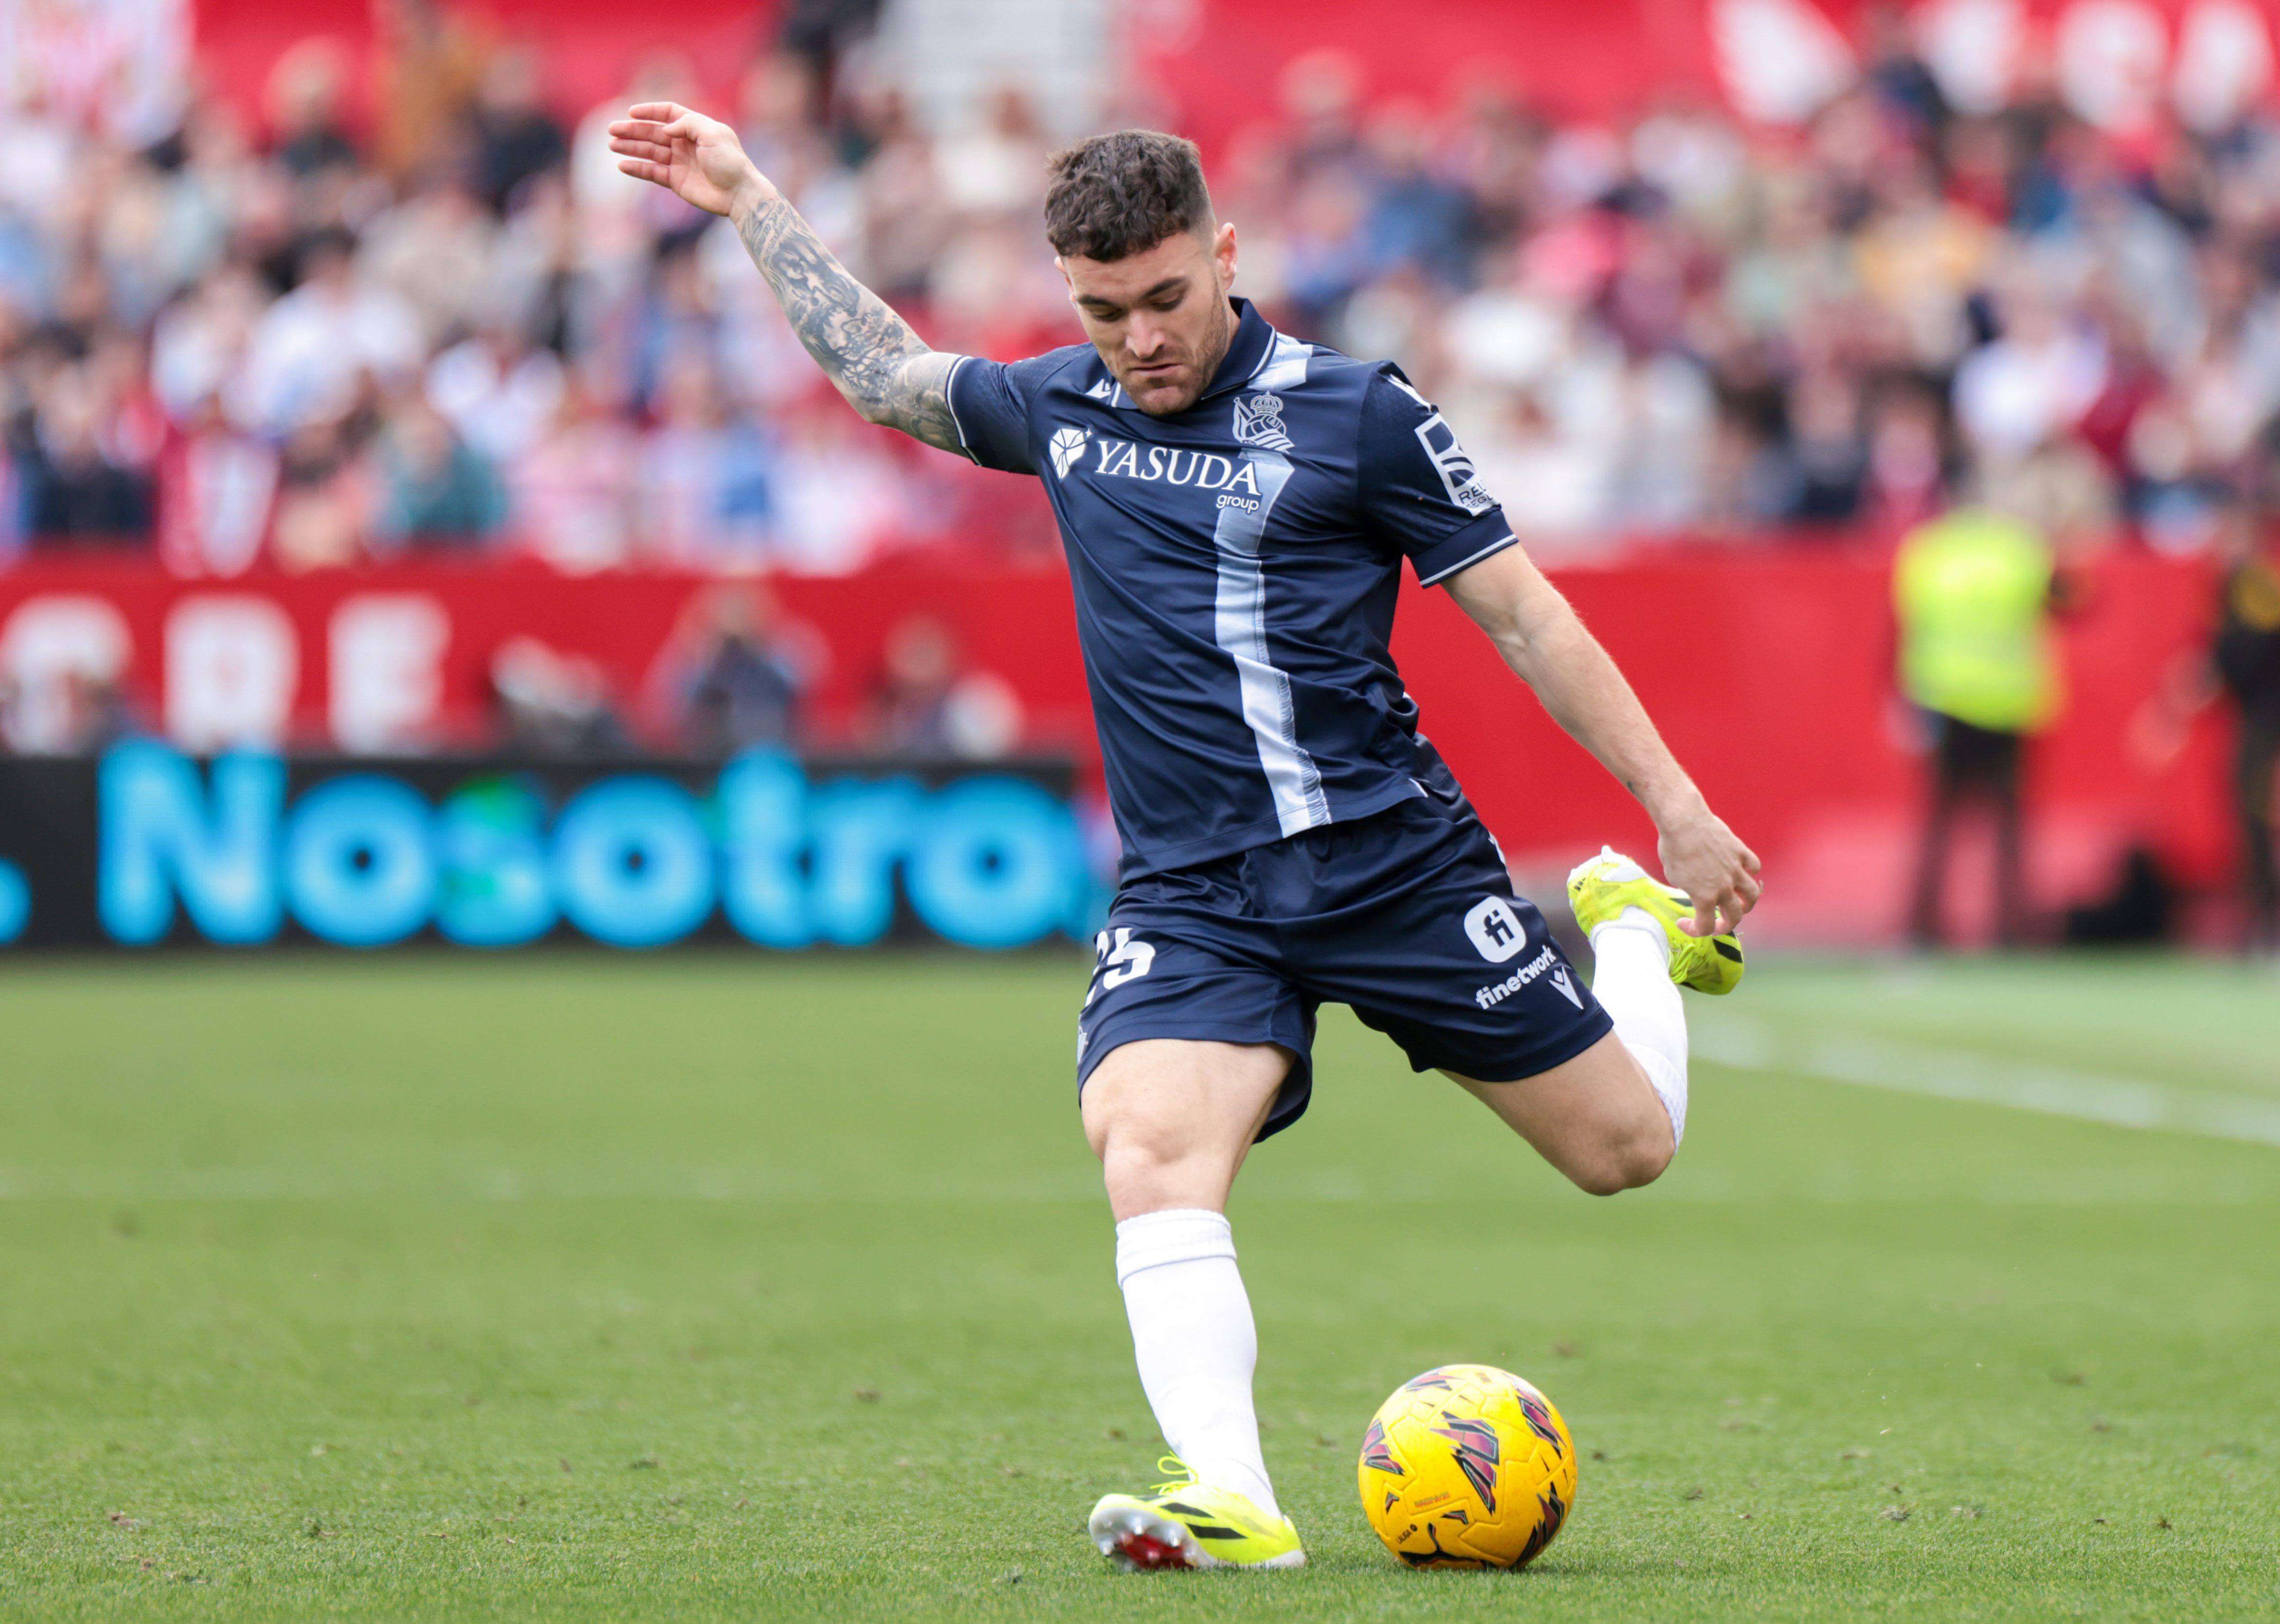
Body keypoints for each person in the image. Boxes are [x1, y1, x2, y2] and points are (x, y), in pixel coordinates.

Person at [610, 105, 1763, 1571]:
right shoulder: (1065, 406)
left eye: (1164, 300)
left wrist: (1673, 810)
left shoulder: (1359, 418)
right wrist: (748, 196)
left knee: (1624, 1151)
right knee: (1148, 1147)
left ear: (1222, 255)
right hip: (1194, 892)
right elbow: (886, 375)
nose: (1139, 340)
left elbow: (1527, 615)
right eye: (1102, 312)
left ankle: (1623, 934)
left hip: (1389, 865)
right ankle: (1232, 1497)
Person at [1893, 504, 2060, 948]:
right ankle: (2010, 928)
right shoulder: (2021, 551)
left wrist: (1903, 698)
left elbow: (1905, 625)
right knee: (2008, 828)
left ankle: (1922, 928)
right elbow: (2069, 598)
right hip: (2006, 703)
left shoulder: (1929, 551)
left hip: (1945, 700)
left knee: (1940, 824)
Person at [2132, 510, 2280, 950]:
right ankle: (2260, 921)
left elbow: (2245, 650)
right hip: (2252, 721)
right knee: (2247, 821)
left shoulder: (2263, 585)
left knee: (2260, 820)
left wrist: (2196, 686)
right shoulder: (2237, 587)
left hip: (2269, 724)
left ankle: (2272, 924)